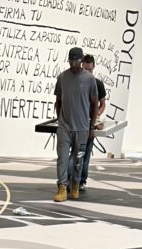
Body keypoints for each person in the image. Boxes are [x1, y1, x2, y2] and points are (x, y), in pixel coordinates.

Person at [53, 46, 98, 202]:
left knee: (78, 161)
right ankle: (62, 187)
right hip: (65, 126)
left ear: (81, 60)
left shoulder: (89, 79)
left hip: (82, 128)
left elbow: (95, 103)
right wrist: (60, 120)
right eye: (71, 60)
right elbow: (58, 101)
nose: (73, 64)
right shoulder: (62, 78)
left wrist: (91, 126)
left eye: (76, 61)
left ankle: (75, 185)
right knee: (63, 158)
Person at [79, 55, 106, 192]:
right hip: (78, 122)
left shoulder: (98, 84)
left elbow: (102, 104)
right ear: (82, 66)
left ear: (94, 67)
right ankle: (71, 179)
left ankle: (82, 180)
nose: (88, 72)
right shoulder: (77, 82)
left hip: (90, 123)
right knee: (75, 154)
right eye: (86, 69)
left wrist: (97, 115)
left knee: (87, 153)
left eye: (90, 69)